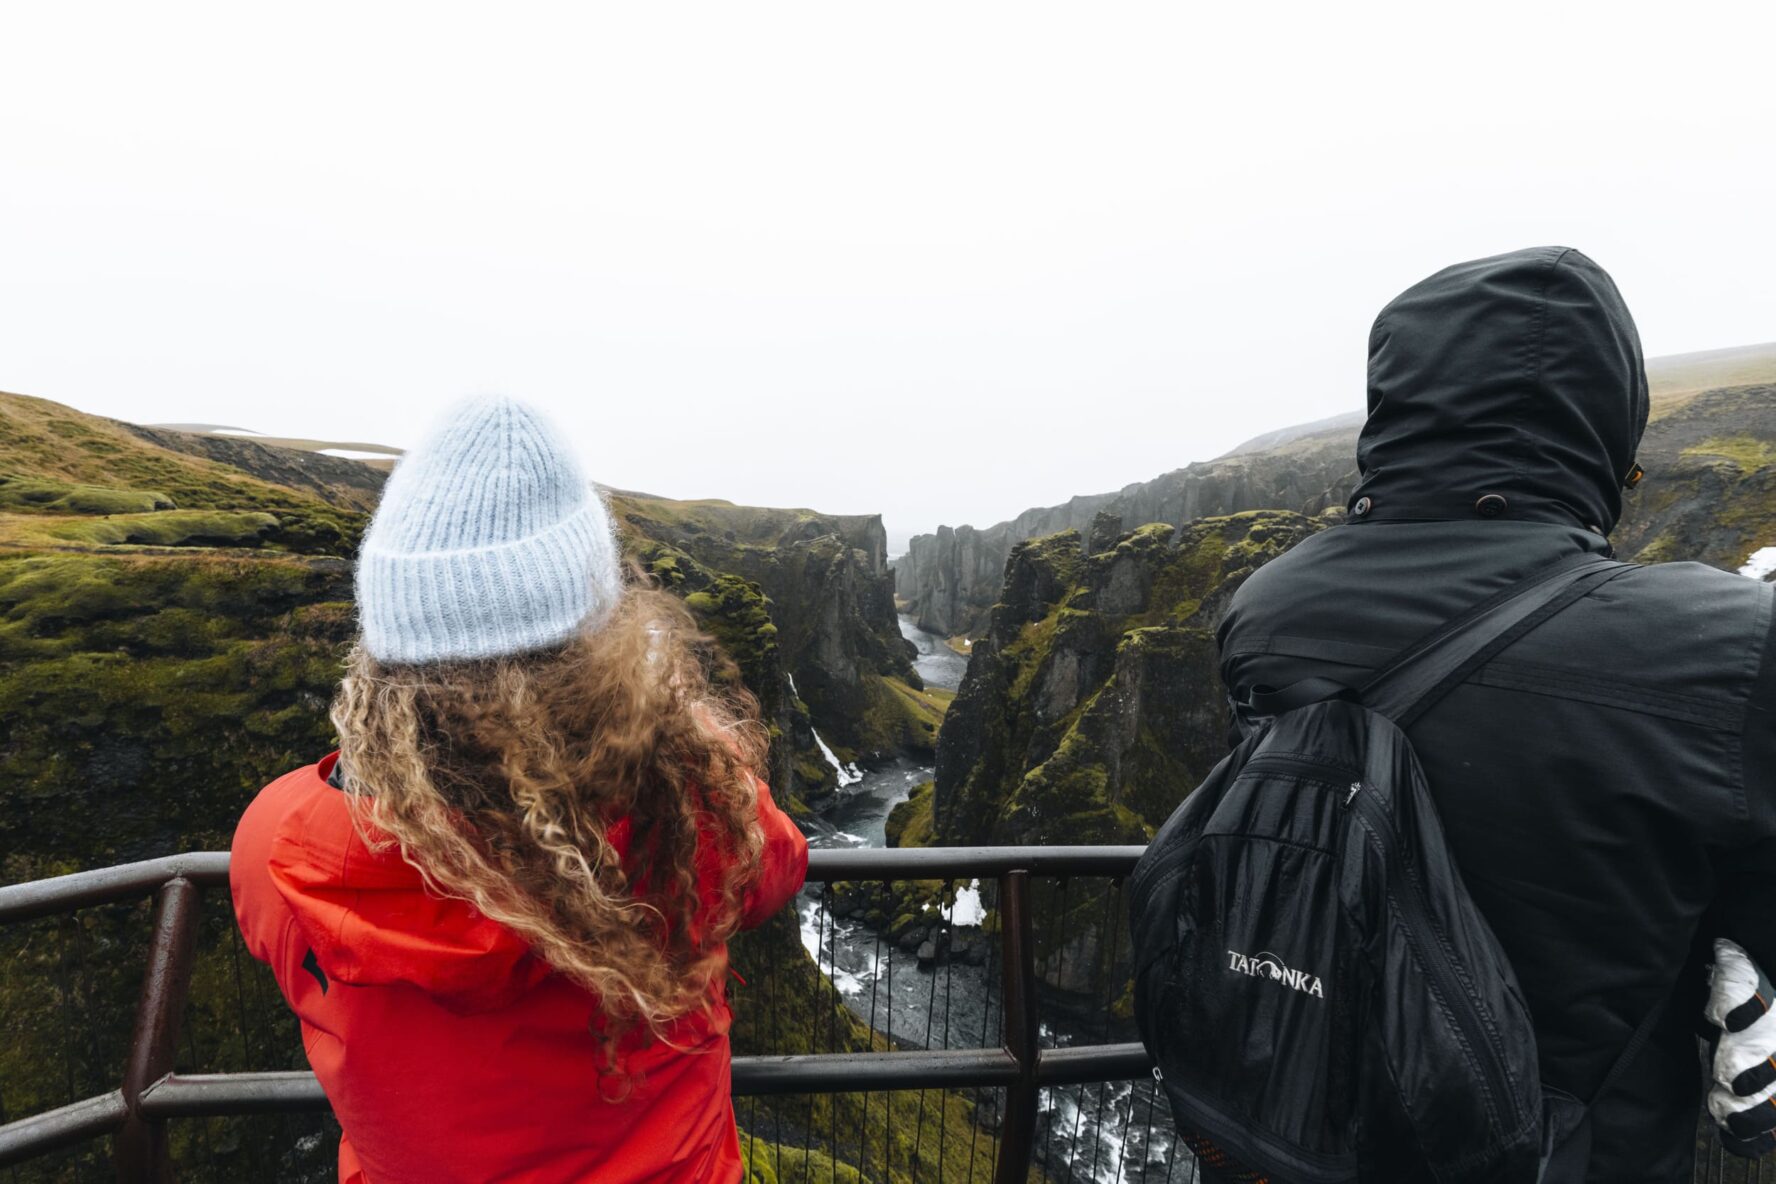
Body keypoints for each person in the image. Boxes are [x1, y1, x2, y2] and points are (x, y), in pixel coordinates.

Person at [1216, 246, 1776, 1181]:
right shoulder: (1728, 644)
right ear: (1606, 427)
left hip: (1295, 1113)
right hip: (1563, 1152)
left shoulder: (1265, 606)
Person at [230, 396, 809, 1184]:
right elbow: (775, 866)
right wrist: (675, 727)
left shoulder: (277, 843)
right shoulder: (682, 810)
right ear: (597, 635)